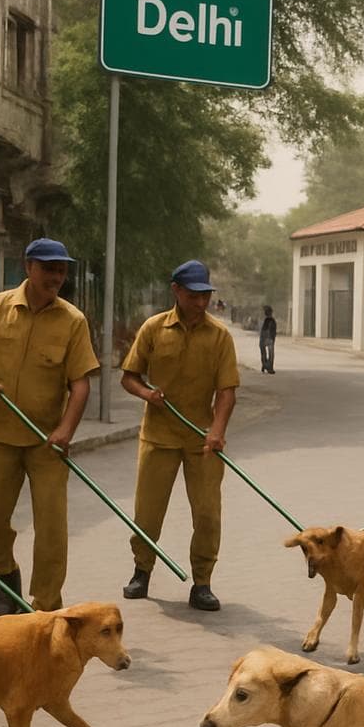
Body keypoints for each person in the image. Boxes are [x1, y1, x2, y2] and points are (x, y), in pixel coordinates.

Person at [0, 238, 99, 616]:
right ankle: (5, 576)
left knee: (51, 529)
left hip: (48, 442)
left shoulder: (72, 321)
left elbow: (81, 384)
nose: (57, 277)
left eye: (62, 270)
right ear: (28, 266)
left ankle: (45, 608)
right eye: (49, 268)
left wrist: (66, 430)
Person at [119, 260, 239, 611]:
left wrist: (217, 431)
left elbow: (227, 391)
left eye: (205, 296)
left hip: (202, 441)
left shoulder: (219, 336)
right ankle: (141, 571)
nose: (200, 303)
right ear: (175, 291)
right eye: (193, 295)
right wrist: (147, 395)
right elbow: (129, 377)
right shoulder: (154, 329)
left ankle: (202, 582)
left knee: (207, 514)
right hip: (157, 438)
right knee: (147, 512)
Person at [259, 305, 277, 374]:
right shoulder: (272, 321)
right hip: (269, 338)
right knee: (270, 354)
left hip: (265, 338)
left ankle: (265, 365)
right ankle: (269, 367)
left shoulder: (265, 321)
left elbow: (263, 331)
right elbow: (273, 332)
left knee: (264, 353)